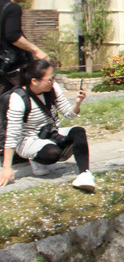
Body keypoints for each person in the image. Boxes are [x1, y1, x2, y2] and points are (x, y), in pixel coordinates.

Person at [0, 59, 94, 192]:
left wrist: (78, 102)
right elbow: (12, 134)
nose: (53, 82)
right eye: (50, 79)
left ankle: (84, 174)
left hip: (50, 132)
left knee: (78, 131)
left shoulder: (53, 89)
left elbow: (69, 114)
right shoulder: (18, 98)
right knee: (53, 153)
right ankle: (35, 158)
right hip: (28, 139)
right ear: (34, 81)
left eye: (53, 77)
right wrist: (6, 167)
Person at [0, 0, 48, 94]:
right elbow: (12, 35)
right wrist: (36, 50)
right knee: (17, 101)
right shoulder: (12, 8)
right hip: (9, 68)